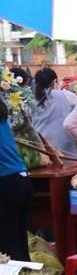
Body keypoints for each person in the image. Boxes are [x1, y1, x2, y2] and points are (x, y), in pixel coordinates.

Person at [0, 95, 31, 261]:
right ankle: (25, 273)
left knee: (7, 242)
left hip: (7, 182)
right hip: (21, 179)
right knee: (18, 237)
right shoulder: (2, 119)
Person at [28, 68, 77, 160]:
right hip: (64, 145)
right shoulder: (65, 95)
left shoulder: (30, 99)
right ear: (54, 81)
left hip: (41, 145)